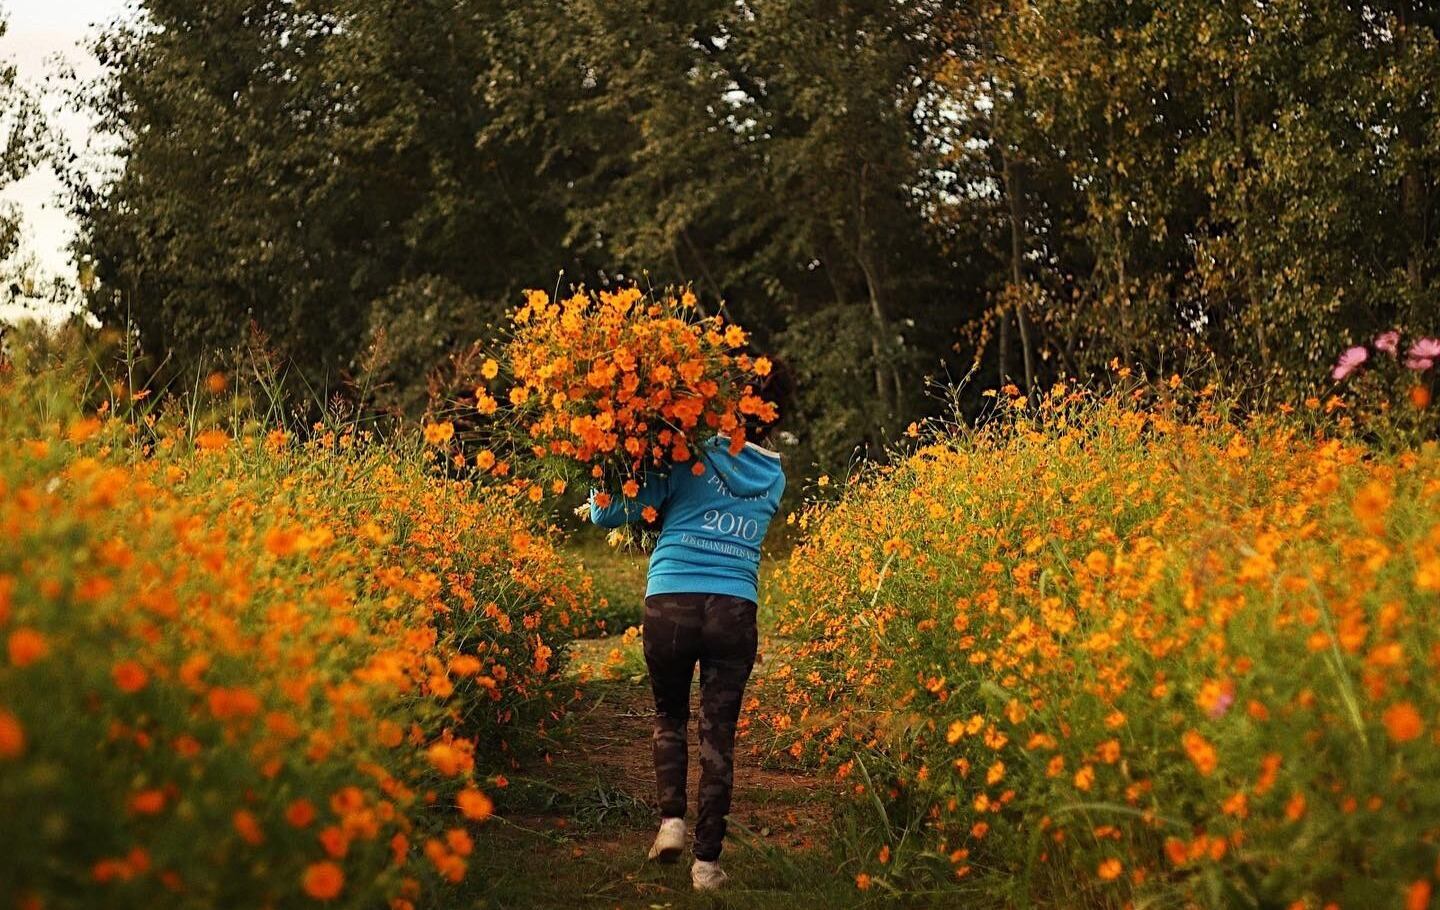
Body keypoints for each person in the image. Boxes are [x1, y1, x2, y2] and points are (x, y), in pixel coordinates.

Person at [587, 359, 791, 892]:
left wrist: (605, 465)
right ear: (773, 415)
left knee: (669, 715)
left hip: (671, 599)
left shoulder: (688, 454)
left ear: (722, 400)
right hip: (733, 609)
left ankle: (671, 822)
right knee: (718, 734)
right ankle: (706, 866)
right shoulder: (775, 476)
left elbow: (612, 514)